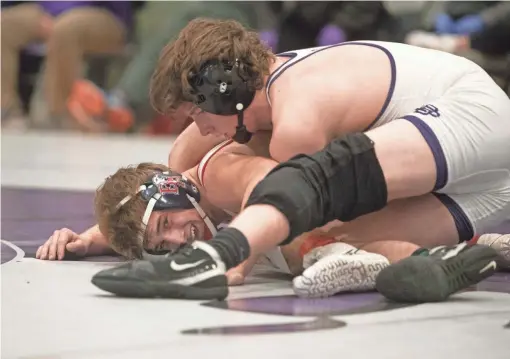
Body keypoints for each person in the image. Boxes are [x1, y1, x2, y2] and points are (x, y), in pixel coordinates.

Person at [91, 17, 510, 303]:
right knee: (340, 237)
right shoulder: (249, 106)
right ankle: (475, 252)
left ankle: (213, 258)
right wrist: (106, 229)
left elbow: (280, 192)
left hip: (471, 115)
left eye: (198, 115)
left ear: (225, 92)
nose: (199, 129)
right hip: (486, 187)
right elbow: (166, 187)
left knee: (305, 203)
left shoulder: (296, 115)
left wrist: (237, 261)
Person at [39, 133, 390, 298]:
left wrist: (239, 258)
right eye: (163, 246)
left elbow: (279, 188)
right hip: (355, 193)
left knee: (268, 232)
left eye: (166, 225)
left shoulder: (212, 170)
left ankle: (332, 253)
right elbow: (146, 225)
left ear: (170, 187)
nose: (179, 240)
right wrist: (88, 240)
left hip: (365, 166)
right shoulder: (176, 203)